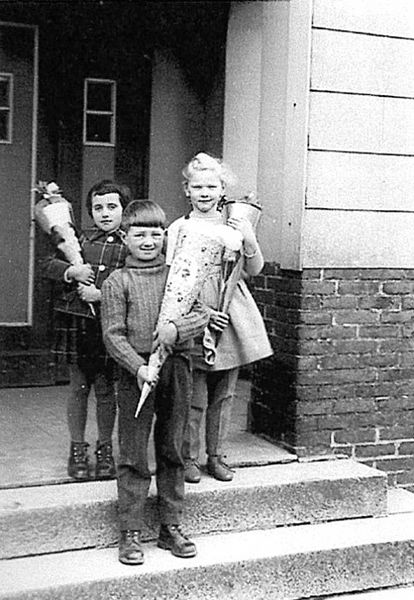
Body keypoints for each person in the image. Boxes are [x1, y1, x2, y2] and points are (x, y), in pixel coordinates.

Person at [101, 200, 209, 565]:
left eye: (155, 234)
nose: (148, 242)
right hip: (136, 374)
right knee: (133, 452)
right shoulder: (117, 282)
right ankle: (130, 531)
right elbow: (113, 335)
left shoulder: (178, 276)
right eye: (139, 235)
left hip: (175, 367)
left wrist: (176, 328)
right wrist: (138, 366)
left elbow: (200, 313)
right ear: (125, 238)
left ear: (165, 236)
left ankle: (170, 526)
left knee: (172, 447)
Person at [166, 152, 273, 484]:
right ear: (186, 189)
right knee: (194, 394)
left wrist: (248, 236)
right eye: (197, 187)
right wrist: (201, 313)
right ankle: (189, 457)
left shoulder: (234, 223)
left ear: (222, 189)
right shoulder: (179, 228)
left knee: (225, 393)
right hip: (194, 311)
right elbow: (172, 277)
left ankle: (216, 456)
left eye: (211, 186)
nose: (205, 193)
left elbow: (254, 269)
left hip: (230, 313)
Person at [43, 180, 130, 481]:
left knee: (106, 390)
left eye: (112, 207)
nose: (105, 213)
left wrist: (102, 295)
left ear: (124, 209)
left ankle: (105, 449)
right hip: (78, 323)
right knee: (78, 387)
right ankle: (77, 447)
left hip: (110, 325)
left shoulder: (130, 244)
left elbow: (135, 282)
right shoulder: (78, 239)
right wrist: (72, 271)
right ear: (90, 212)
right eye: (98, 207)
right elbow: (47, 264)